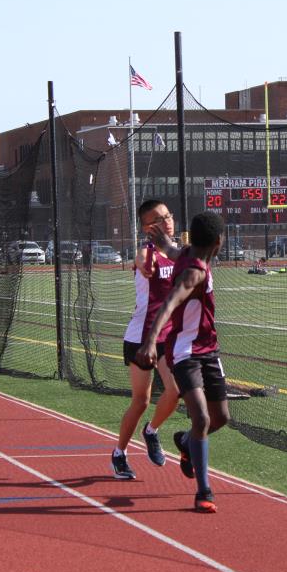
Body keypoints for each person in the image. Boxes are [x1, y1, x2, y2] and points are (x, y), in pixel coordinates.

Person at [138, 212, 228, 513]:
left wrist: (163, 241)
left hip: (209, 350)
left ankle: (187, 442)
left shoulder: (189, 254)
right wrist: (150, 341)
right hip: (185, 352)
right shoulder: (194, 274)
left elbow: (174, 251)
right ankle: (204, 491)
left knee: (220, 418)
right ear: (218, 242)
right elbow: (170, 303)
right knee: (201, 418)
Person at [112, 200, 182, 481]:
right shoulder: (146, 252)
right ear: (146, 227)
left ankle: (151, 431)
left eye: (168, 216)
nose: (167, 221)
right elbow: (142, 262)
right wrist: (144, 263)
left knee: (175, 390)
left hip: (168, 337)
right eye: (158, 219)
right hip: (141, 338)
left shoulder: (180, 254)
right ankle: (119, 453)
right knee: (140, 401)